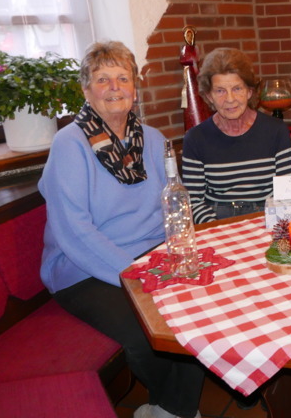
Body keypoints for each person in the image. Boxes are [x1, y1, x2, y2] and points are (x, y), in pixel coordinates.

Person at [39, 41, 204, 418]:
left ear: (134, 88)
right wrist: (135, 274)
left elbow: (174, 204)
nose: (114, 87)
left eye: (122, 78)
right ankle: (175, 408)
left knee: (200, 309)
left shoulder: (154, 139)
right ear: (86, 90)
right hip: (83, 269)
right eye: (102, 79)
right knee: (144, 332)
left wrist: (179, 252)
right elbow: (74, 231)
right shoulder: (69, 144)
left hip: (151, 258)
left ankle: (168, 410)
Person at [182, 48, 291, 224]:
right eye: (220, 91)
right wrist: (218, 227)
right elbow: (194, 202)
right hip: (217, 220)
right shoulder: (195, 138)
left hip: (266, 217)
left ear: (249, 92)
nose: (230, 99)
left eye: (237, 88)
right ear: (209, 96)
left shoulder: (276, 131)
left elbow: (286, 192)